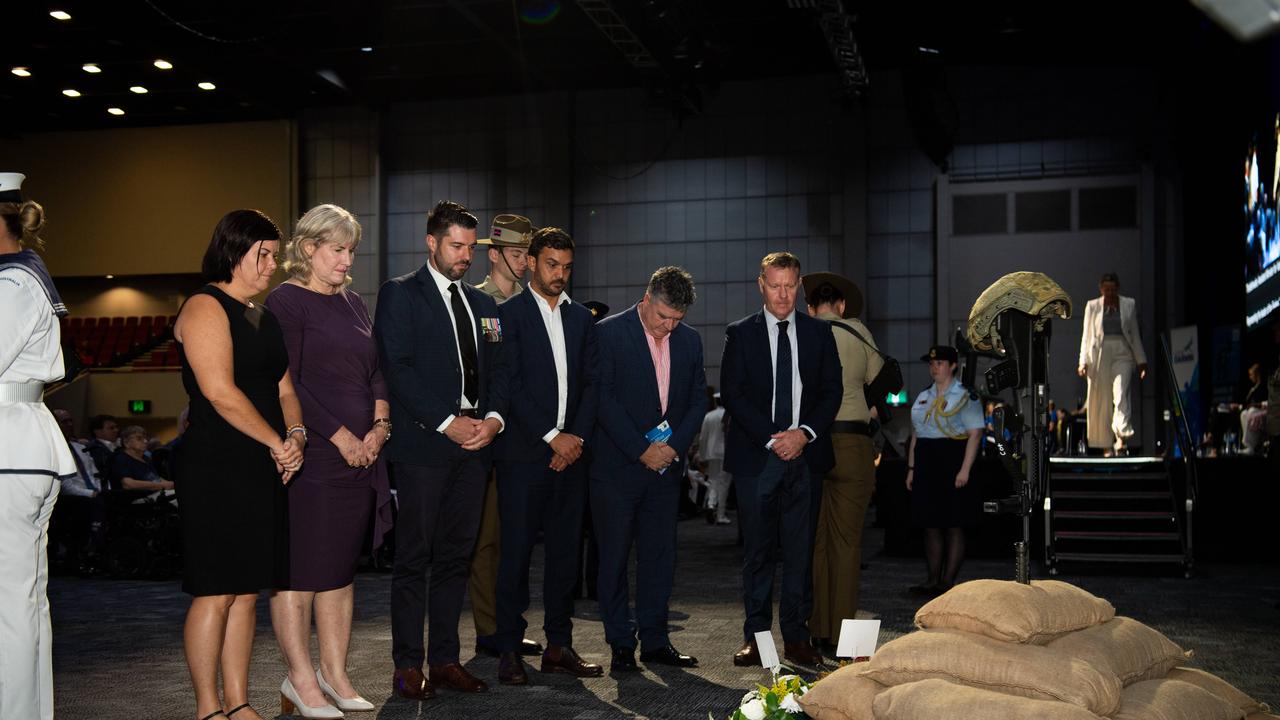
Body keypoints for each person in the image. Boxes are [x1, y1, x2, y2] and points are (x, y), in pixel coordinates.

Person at [173, 209, 305, 720]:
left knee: (246, 591)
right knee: (215, 590)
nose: (273, 264)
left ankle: (239, 701)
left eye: (275, 254)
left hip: (261, 461)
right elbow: (220, 393)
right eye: (264, 255)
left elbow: (285, 389)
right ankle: (209, 707)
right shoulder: (205, 306)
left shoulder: (262, 316)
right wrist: (278, 442)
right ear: (234, 250)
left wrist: (296, 435)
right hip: (216, 464)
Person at [374, 200, 509, 700]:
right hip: (425, 447)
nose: (465, 256)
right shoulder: (401, 294)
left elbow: (502, 373)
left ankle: (447, 658)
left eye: (472, 248)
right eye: (457, 245)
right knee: (414, 558)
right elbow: (398, 368)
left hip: (477, 448)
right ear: (431, 243)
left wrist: (493, 420)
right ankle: (408, 665)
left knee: (457, 556)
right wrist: (449, 422)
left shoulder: (485, 306)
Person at [264, 203, 393, 717]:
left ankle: (334, 674)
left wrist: (380, 427)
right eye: (338, 250)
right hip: (313, 457)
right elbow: (287, 383)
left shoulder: (355, 302)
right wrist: (341, 437)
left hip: (361, 456)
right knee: (299, 572)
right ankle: (300, 680)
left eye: (351, 251)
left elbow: (376, 371)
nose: (347, 261)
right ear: (309, 248)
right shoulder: (286, 302)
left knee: (339, 572)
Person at [490, 227, 603, 685]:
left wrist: (572, 439)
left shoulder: (581, 319)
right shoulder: (508, 315)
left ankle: (559, 646)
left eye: (567, 266)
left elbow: (594, 384)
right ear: (532, 262)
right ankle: (509, 651)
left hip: (571, 456)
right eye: (551, 264)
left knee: (563, 559)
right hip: (522, 455)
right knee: (514, 557)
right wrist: (552, 436)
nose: (560, 274)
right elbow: (509, 385)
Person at [721, 252, 841, 670]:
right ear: (761, 285)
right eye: (775, 285)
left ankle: (797, 636)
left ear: (799, 284)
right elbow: (732, 393)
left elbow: (832, 392)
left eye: (790, 286)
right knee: (757, 553)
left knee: (800, 553)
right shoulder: (740, 333)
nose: (783, 294)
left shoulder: (819, 333)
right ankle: (756, 640)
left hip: (806, 457)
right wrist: (775, 440)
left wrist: (803, 434)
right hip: (759, 458)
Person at [591, 266, 707, 673]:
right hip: (618, 468)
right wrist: (642, 449)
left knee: (660, 557)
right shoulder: (607, 333)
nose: (667, 327)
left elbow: (697, 401)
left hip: (665, 470)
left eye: (676, 319)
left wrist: (672, 448)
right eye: (662, 317)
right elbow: (602, 400)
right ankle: (621, 643)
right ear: (646, 299)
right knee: (615, 558)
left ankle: (656, 641)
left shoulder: (689, 342)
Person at [0, 172, 73, 720]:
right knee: (20, 600)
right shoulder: (20, 280)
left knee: (11, 603)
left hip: (10, 444)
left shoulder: (13, 284)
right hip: (19, 442)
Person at [468, 212, 542, 660]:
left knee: (519, 538)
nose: (523, 263)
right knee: (488, 538)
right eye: (516, 254)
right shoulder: (478, 303)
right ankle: (489, 627)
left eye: (526, 255)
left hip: (527, 439)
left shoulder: (536, 305)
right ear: (493, 255)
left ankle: (509, 621)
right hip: (491, 437)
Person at [801, 271, 881, 656]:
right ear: (843, 305)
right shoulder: (857, 332)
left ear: (811, 307)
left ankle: (816, 629)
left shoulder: (802, 333)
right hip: (852, 441)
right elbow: (881, 382)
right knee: (847, 543)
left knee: (815, 542)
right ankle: (844, 640)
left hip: (811, 443)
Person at [906, 345, 985, 597]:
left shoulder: (966, 396)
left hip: (952, 459)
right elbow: (916, 436)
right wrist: (911, 468)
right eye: (931, 363)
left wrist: (965, 469)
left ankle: (947, 581)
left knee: (953, 523)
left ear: (952, 365)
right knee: (930, 523)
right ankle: (932, 579)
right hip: (927, 461)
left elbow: (975, 434)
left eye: (939, 363)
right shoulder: (923, 396)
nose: (934, 367)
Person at [1077, 272, 1147, 456]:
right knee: (1102, 400)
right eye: (1106, 289)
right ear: (1101, 289)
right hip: (1099, 354)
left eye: (1113, 289)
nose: (1109, 292)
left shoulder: (1128, 304)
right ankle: (1106, 444)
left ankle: (1121, 438)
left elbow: (1135, 334)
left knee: (1121, 393)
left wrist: (1141, 361)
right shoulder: (1092, 306)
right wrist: (1082, 362)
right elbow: (1086, 336)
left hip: (1123, 352)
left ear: (1118, 288)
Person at [698, 391, 731, 525]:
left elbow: (702, 437)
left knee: (713, 480)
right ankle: (721, 514)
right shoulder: (729, 416)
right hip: (726, 453)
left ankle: (711, 504)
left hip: (711, 453)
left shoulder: (709, 416)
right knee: (724, 484)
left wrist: (702, 454)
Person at [109, 425, 174, 491]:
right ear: (126, 443)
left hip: (152, 495)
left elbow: (156, 478)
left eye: (145, 438)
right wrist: (161, 485)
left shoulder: (146, 458)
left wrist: (170, 484)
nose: (145, 441)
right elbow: (128, 484)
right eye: (139, 439)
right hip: (134, 499)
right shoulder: (120, 458)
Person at [1237, 363, 1268, 454]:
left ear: (1257, 374)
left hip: (1265, 410)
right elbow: (1248, 402)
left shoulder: (1264, 386)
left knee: (1251, 412)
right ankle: (1248, 444)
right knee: (1243, 414)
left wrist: (1256, 405)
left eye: (1252, 374)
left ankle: (1252, 445)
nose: (1250, 377)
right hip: (1255, 410)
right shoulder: (1253, 388)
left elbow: (1265, 401)